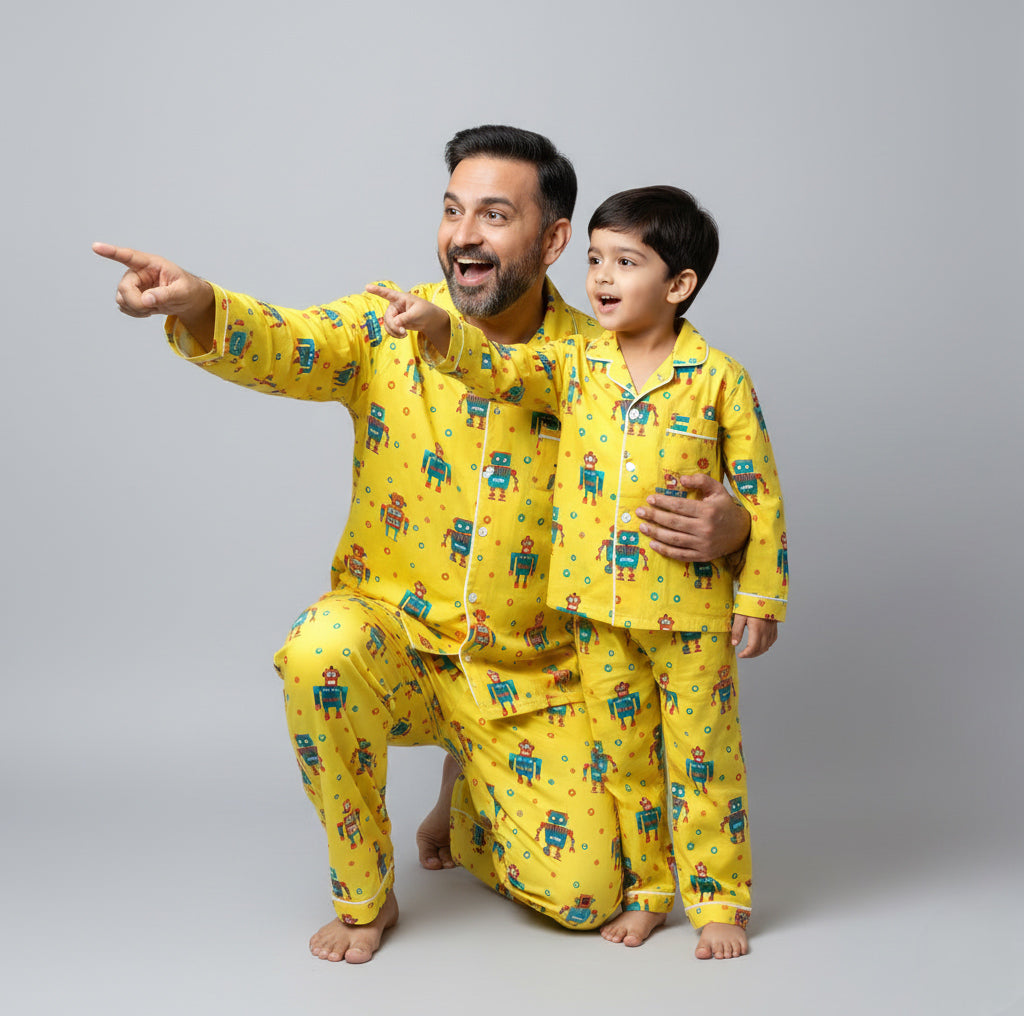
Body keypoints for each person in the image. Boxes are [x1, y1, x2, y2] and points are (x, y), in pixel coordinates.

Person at [93, 127, 752, 964]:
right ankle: (364, 898)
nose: (463, 235)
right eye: (451, 211)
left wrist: (733, 530)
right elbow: (286, 340)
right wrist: (195, 302)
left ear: (554, 239)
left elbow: (679, 479)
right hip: (394, 647)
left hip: (531, 677)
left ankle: (470, 795)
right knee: (318, 650)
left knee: (588, 897)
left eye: (494, 216)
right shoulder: (388, 325)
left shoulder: (603, 362)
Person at [368, 184, 789, 960]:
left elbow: (759, 494)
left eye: (625, 262)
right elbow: (499, 371)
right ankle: (649, 891)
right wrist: (439, 330)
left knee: (703, 763)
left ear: (679, 284)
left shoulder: (719, 377)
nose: (600, 277)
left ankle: (719, 900)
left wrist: (760, 597)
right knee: (624, 763)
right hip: (592, 613)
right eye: (595, 259)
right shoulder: (572, 362)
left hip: (691, 614)